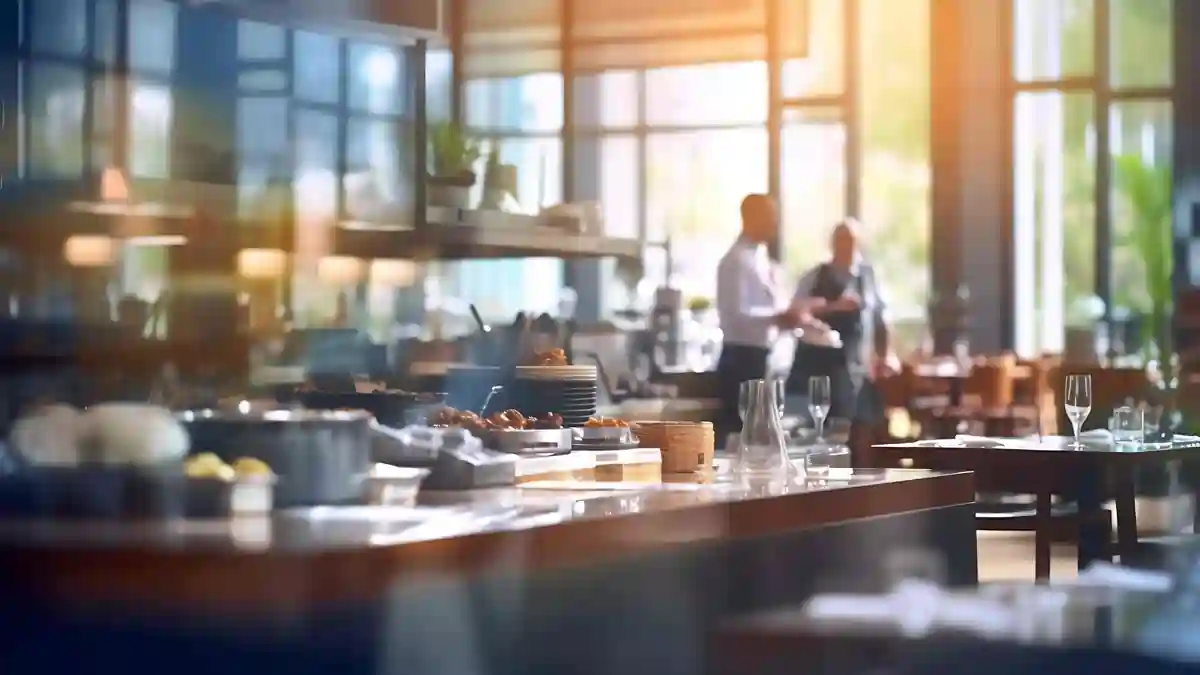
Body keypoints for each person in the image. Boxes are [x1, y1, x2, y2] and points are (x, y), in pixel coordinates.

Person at [715, 194, 822, 441]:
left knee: (757, 437)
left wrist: (795, 316)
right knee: (740, 437)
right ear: (750, 217)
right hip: (740, 360)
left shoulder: (759, 258)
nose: (775, 223)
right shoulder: (735, 260)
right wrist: (778, 318)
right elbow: (735, 316)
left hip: (759, 357)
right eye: (770, 217)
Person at [786, 218, 897, 424]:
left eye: (850, 240)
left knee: (856, 425)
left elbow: (882, 318)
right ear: (832, 243)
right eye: (840, 240)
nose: (845, 246)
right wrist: (833, 307)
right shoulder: (815, 276)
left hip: (856, 368)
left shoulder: (868, 277)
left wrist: (886, 355)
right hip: (817, 367)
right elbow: (795, 312)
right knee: (817, 423)